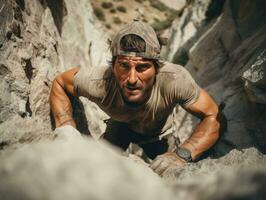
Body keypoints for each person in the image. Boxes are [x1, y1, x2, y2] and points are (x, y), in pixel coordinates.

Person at [50, 20, 220, 176]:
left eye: (142, 67)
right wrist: (66, 126)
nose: (131, 79)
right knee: (96, 171)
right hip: (119, 128)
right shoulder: (99, 81)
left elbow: (213, 115)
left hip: (159, 133)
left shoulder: (174, 80)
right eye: (124, 65)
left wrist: (183, 154)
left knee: (170, 175)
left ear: (157, 68)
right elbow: (60, 83)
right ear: (113, 65)